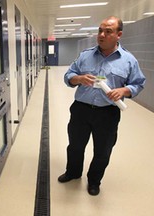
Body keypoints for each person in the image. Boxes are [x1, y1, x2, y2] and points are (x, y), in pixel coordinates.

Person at [58, 16, 146, 196]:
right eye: (100, 30)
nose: (102, 35)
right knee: (75, 146)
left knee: (103, 150)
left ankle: (94, 181)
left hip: (108, 113)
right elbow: (69, 75)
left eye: (108, 31)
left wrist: (124, 90)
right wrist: (79, 78)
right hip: (81, 109)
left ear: (118, 35)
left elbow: (138, 83)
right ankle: (73, 173)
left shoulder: (128, 60)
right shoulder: (85, 55)